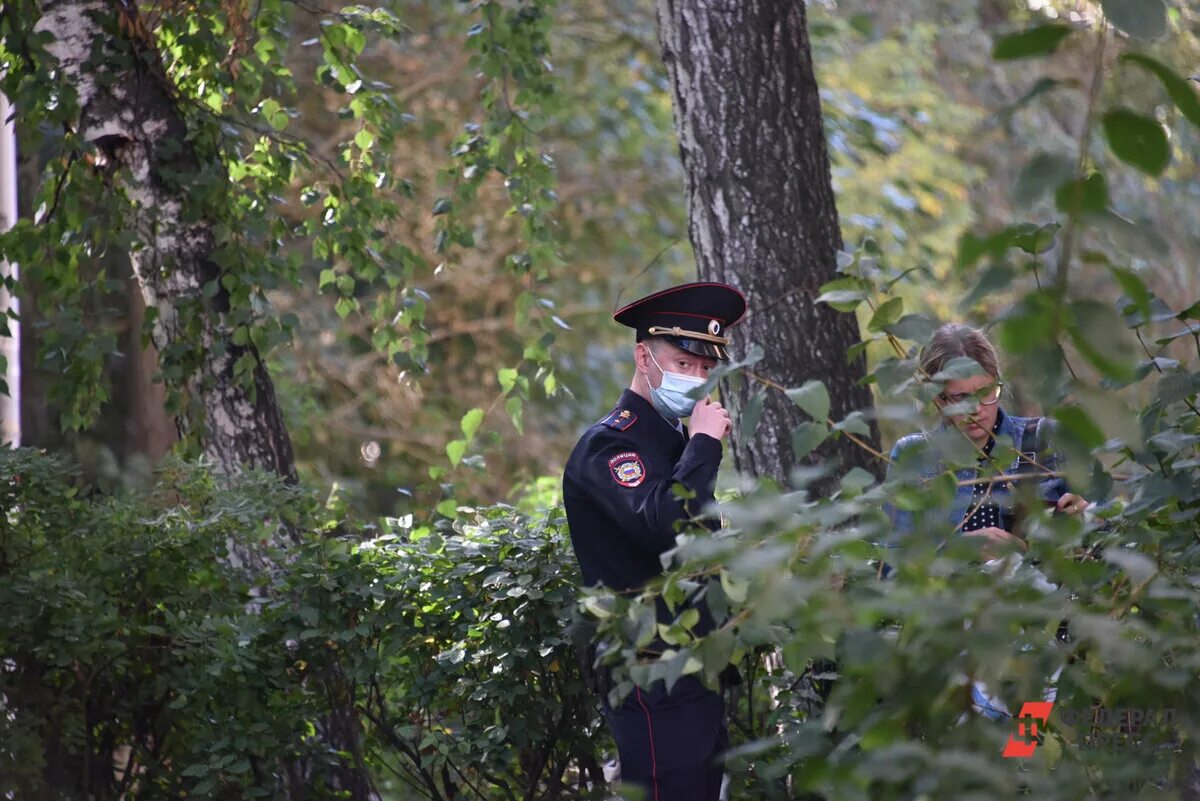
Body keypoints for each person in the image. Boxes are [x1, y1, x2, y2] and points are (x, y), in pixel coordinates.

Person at [562, 281, 746, 801]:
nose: (698, 378)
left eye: (707, 369)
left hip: (694, 670)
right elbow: (665, 524)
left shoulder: (673, 443)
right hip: (651, 674)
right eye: (684, 363)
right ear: (644, 356)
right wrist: (706, 444)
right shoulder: (611, 445)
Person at [883, 322, 1089, 717]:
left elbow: (1099, 552)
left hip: (1045, 643)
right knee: (974, 767)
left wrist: (1079, 520)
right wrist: (959, 550)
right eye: (960, 399)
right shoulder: (913, 457)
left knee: (1027, 755)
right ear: (938, 400)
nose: (977, 410)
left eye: (987, 393)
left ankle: (1027, 760)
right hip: (953, 652)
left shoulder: (1043, 442)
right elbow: (892, 570)